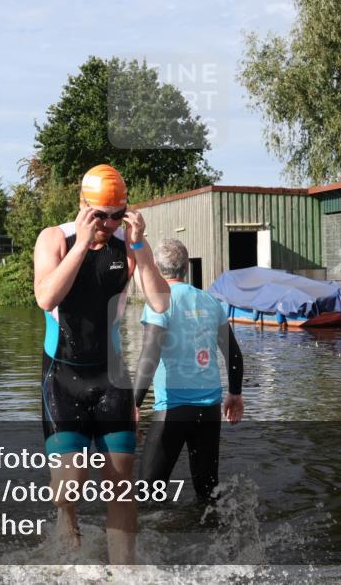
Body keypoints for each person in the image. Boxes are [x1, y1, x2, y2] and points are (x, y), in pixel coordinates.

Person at [32, 164, 170, 564]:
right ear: (82, 206)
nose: (109, 224)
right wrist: (81, 243)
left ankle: (124, 573)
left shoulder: (128, 243)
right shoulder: (54, 238)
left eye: (117, 214)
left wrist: (141, 247)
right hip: (62, 379)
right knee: (70, 488)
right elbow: (46, 297)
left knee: (122, 485)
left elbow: (161, 302)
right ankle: (67, 526)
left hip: (111, 378)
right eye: (100, 215)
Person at [134, 238, 245, 503]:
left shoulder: (159, 302)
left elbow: (149, 355)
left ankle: (152, 543)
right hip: (208, 409)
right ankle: (213, 539)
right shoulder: (210, 301)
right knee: (207, 493)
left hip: (172, 407)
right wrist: (236, 394)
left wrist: (134, 403)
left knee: (146, 496)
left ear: (157, 270)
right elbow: (234, 355)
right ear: (185, 269)